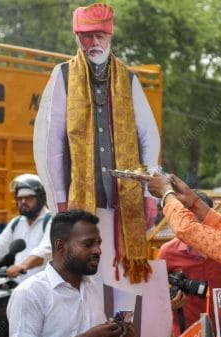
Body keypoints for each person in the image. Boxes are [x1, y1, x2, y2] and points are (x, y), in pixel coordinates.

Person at [33, 3, 160, 294]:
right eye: (88, 36)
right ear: (77, 38)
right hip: (80, 203)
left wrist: (147, 194)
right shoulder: (63, 75)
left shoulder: (128, 78)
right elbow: (49, 142)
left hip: (123, 205)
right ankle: (85, 335)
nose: (95, 43)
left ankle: (119, 334)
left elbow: (148, 138)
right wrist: (60, 199)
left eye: (101, 36)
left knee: (122, 280)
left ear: (110, 37)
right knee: (83, 278)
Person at [7, 209, 127, 337]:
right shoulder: (31, 292)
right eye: (88, 244)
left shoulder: (93, 288)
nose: (98, 251)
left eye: (98, 243)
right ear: (61, 246)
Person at [159, 191, 221, 337]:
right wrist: (169, 305)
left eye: (200, 225)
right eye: (190, 225)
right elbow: (154, 299)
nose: (196, 233)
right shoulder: (168, 252)